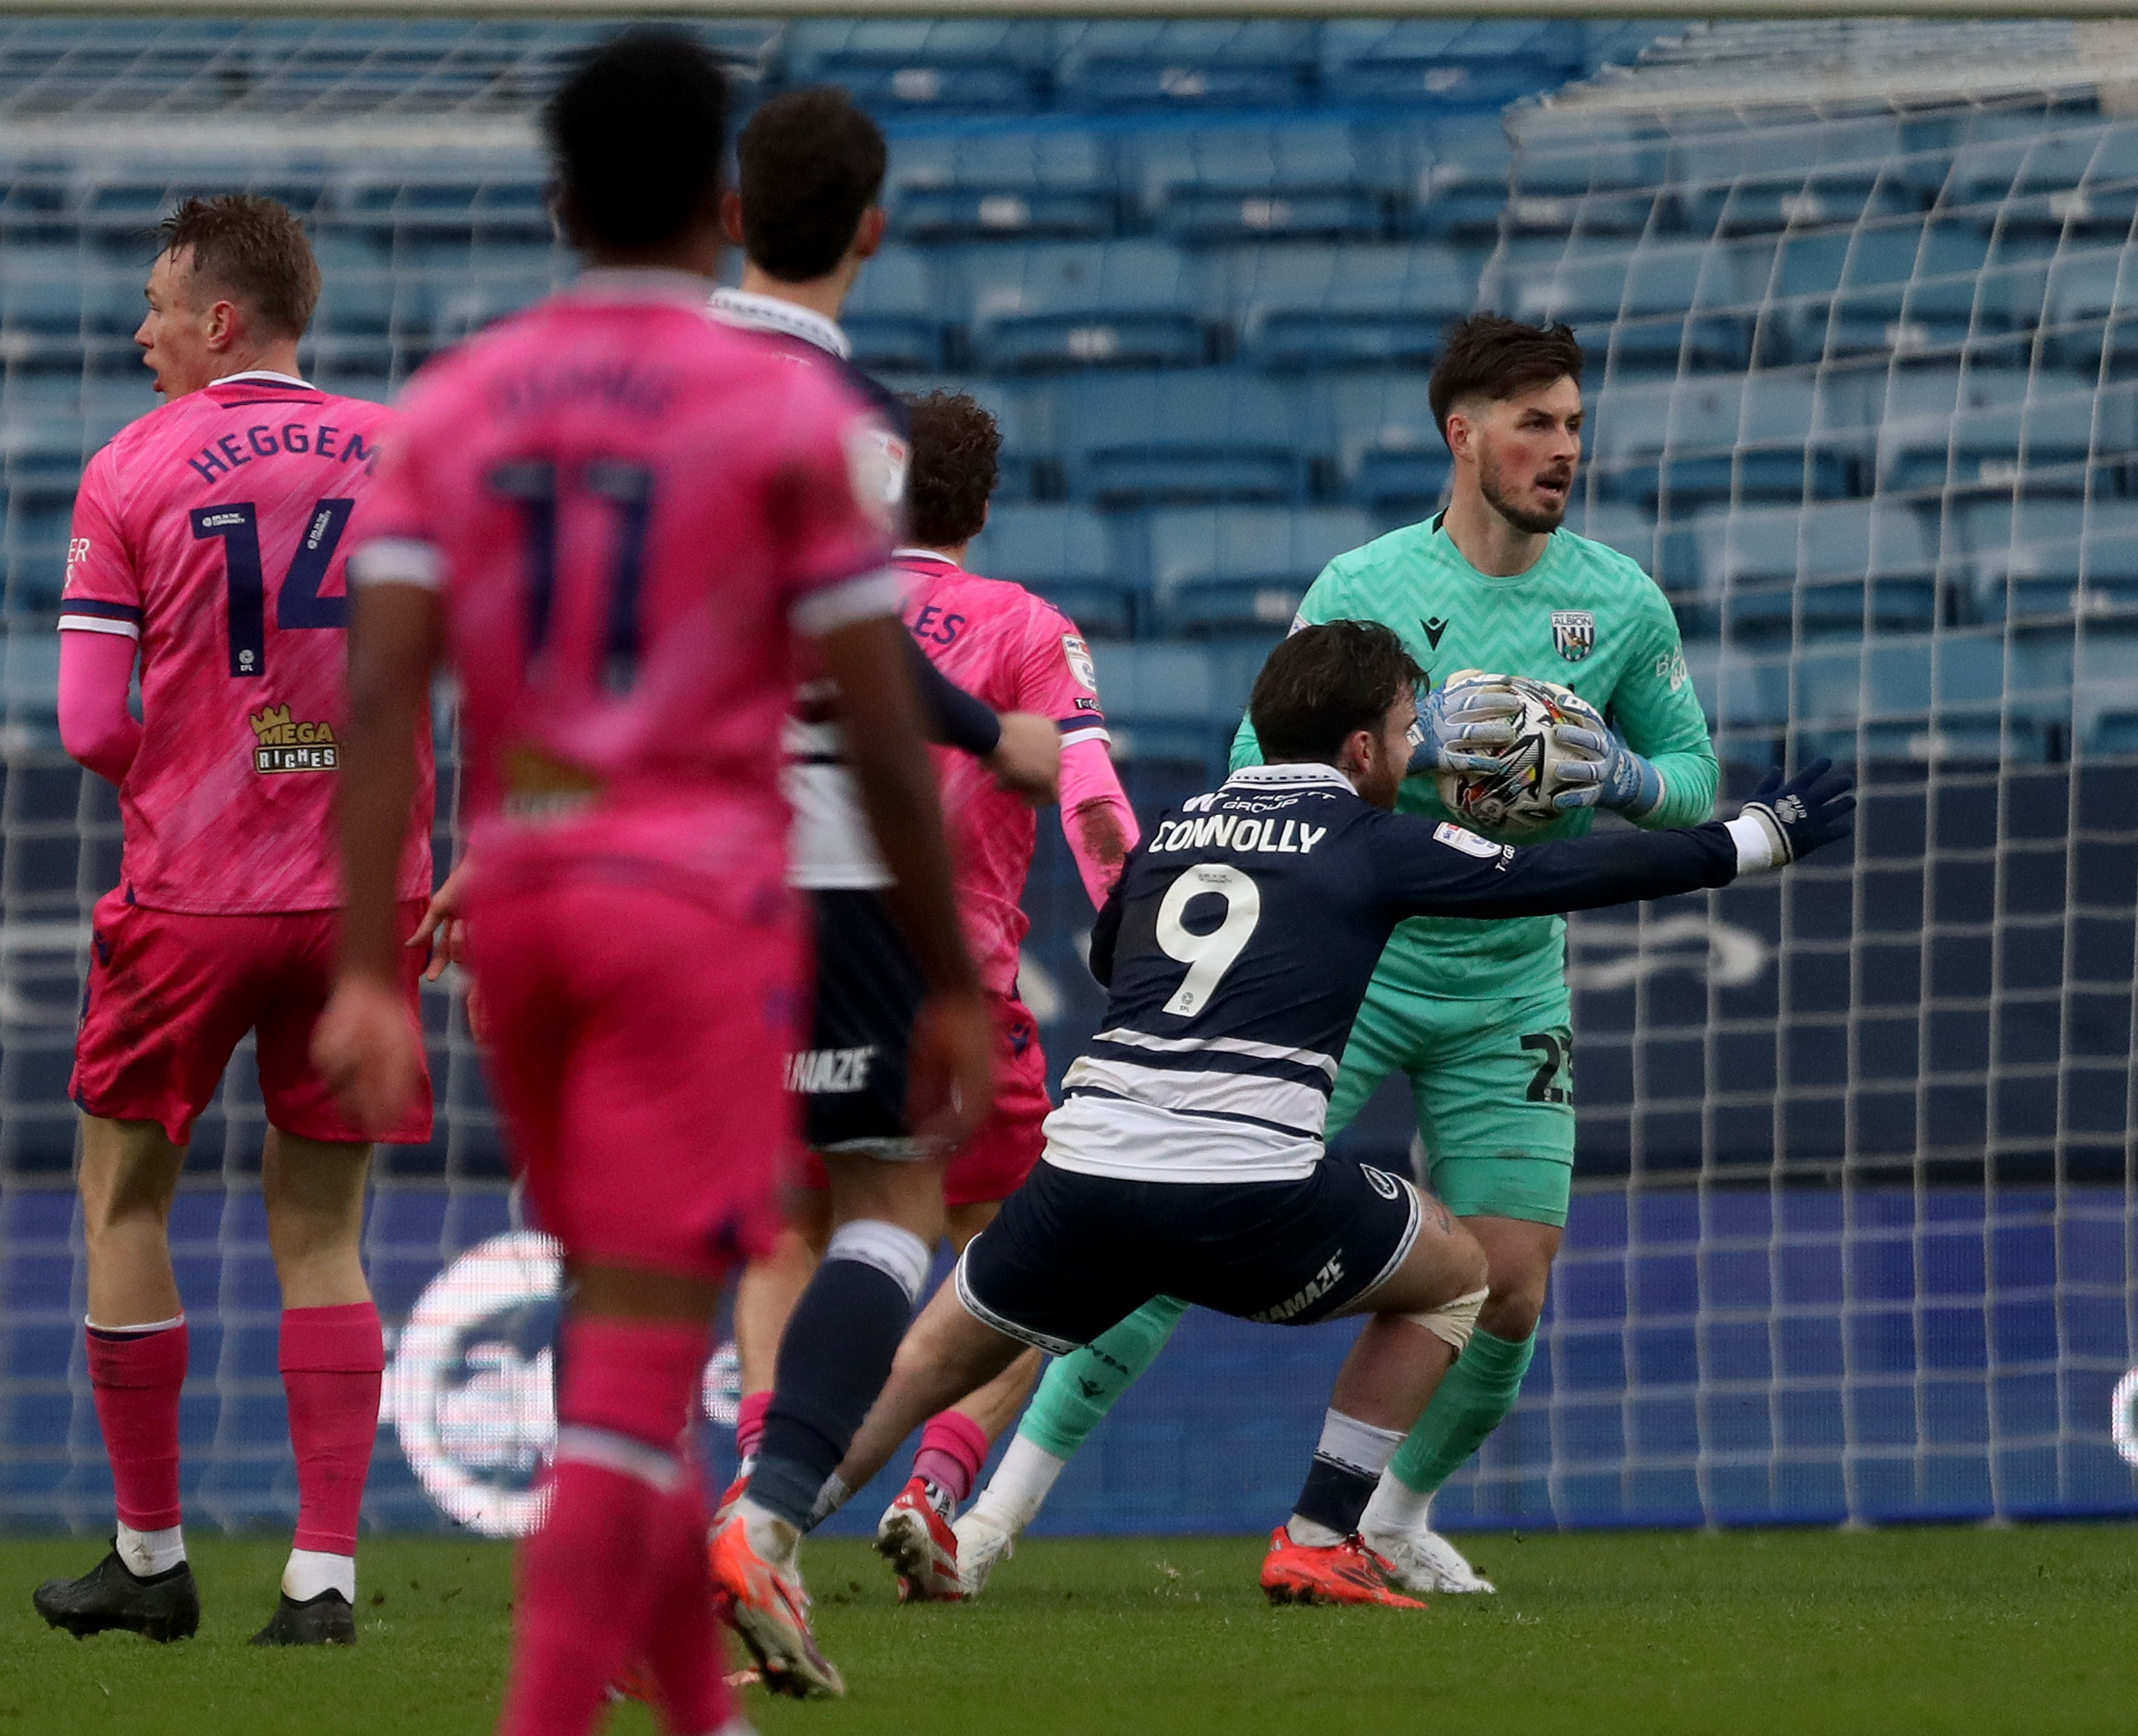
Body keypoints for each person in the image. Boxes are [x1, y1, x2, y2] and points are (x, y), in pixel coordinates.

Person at [313, 30, 988, 1736]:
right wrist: (957, 968)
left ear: (556, 199)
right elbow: (876, 707)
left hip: (526, 884)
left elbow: (380, 690)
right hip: (694, 887)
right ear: (717, 202)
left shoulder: (461, 392)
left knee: (624, 1283)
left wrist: (370, 970)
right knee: (637, 1344)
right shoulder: (784, 407)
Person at [777, 619, 1847, 1636]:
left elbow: (1112, 961)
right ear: (1358, 746)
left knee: (916, 1368)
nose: (1418, 743)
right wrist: (1749, 838)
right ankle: (1322, 1534)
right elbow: (1560, 873)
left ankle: (757, 1527)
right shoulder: (1371, 839)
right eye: (1407, 724)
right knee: (1465, 1270)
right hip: (1249, 1196)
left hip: (1082, 1179)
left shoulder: (1180, 826)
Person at [953, 314, 1718, 1596]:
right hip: (1347, 970)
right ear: (1459, 434)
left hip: (1505, 982)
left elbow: (1692, 788)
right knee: (1164, 1238)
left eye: (1574, 424)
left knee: (1512, 1284)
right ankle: (994, 1515)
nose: (1561, 450)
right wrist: (1412, 794)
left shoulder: (1620, 602)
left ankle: (1386, 1513)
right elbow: (1269, 780)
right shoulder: (1359, 593)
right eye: (1534, 422)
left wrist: (1620, 773)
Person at [34, 193, 436, 1649]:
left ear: (220, 320)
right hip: (365, 894)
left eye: (156, 304)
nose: (138, 331)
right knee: (323, 1231)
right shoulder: (411, 453)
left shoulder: (130, 464)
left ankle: (151, 1559)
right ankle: (320, 1581)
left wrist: (221, 769)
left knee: (121, 1199)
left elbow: (89, 724)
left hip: (194, 893)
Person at [691, 90, 1069, 1556]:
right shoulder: (840, 425)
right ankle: (775, 1513)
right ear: (872, 229)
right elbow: (851, 639)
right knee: (893, 1202)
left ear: (732, 216)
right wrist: (998, 736)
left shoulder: (631, 386)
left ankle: (658, 1550)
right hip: (818, 865)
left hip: (641, 855)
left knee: (680, 1228)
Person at [860, 390, 1138, 1597]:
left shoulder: (803, 614)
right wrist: (1138, 925)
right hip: (957, 998)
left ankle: (753, 1503)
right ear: (982, 504)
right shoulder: (1024, 624)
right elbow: (1085, 789)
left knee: (791, 1256)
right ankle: (933, 1485)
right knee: (1026, 1269)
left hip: (793, 993)